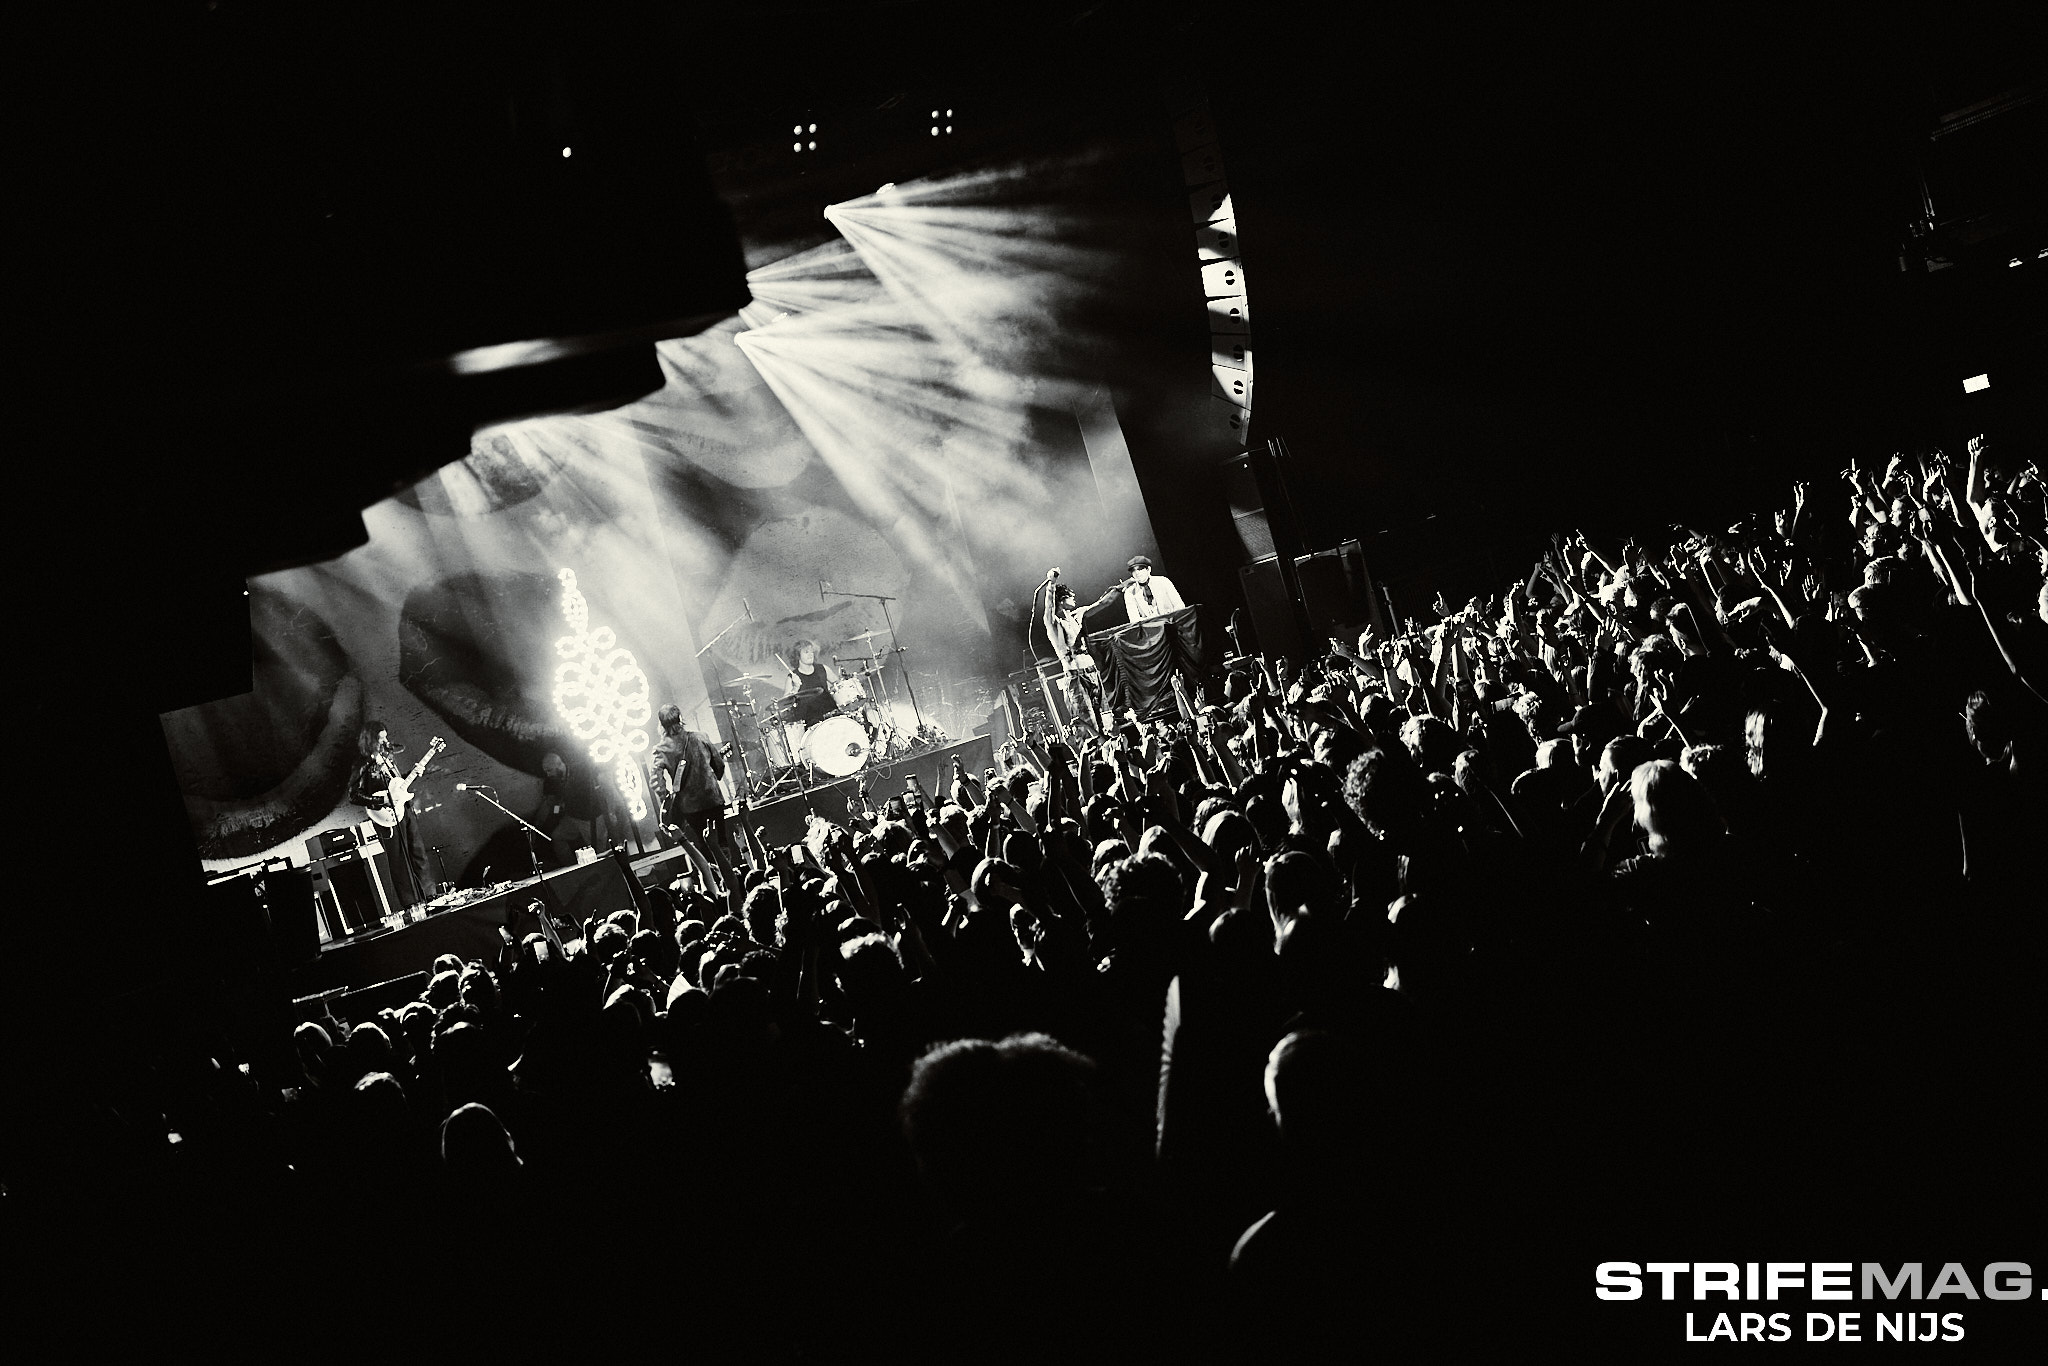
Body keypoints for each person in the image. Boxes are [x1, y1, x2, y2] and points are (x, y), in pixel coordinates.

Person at [348, 721, 431, 912]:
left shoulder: (388, 758)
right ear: (370, 740)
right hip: (385, 816)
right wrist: (381, 801)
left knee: (418, 852)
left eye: (386, 737)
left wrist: (413, 773)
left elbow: (397, 785)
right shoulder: (362, 764)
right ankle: (411, 903)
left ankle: (429, 895)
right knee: (399, 859)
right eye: (380, 738)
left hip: (404, 808)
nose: (385, 741)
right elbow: (354, 795)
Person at [650, 704, 736, 884]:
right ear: (681, 719)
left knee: (703, 844)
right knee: (722, 841)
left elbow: (656, 782)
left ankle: (714, 882)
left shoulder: (661, 749)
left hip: (689, 806)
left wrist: (667, 799)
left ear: (661, 724)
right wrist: (713, 778)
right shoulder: (701, 737)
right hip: (712, 799)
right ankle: (731, 880)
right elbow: (718, 765)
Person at [1042, 580, 1105, 736]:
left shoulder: (1077, 615)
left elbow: (1101, 604)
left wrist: (1119, 588)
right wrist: (1051, 585)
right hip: (1075, 674)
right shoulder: (1054, 623)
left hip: (1091, 671)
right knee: (1088, 720)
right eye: (1071, 596)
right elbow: (1048, 608)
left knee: (1104, 717)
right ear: (1061, 600)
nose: (1074, 598)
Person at [1091, 554, 1185, 623]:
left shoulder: (1163, 581)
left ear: (1148, 569)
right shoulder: (1130, 592)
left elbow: (1179, 605)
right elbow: (1134, 620)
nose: (1137, 573)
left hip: (1173, 624)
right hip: (1153, 632)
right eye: (1133, 570)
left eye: (1140, 569)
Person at [781, 638, 835, 726]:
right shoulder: (792, 677)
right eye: (806, 652)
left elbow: (839, 685)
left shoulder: (823, 669)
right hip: (811, 723)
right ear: (798, 656)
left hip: (831, 716)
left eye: (812, 652)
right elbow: (784, 704)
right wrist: (795, 688)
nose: (811, 655)